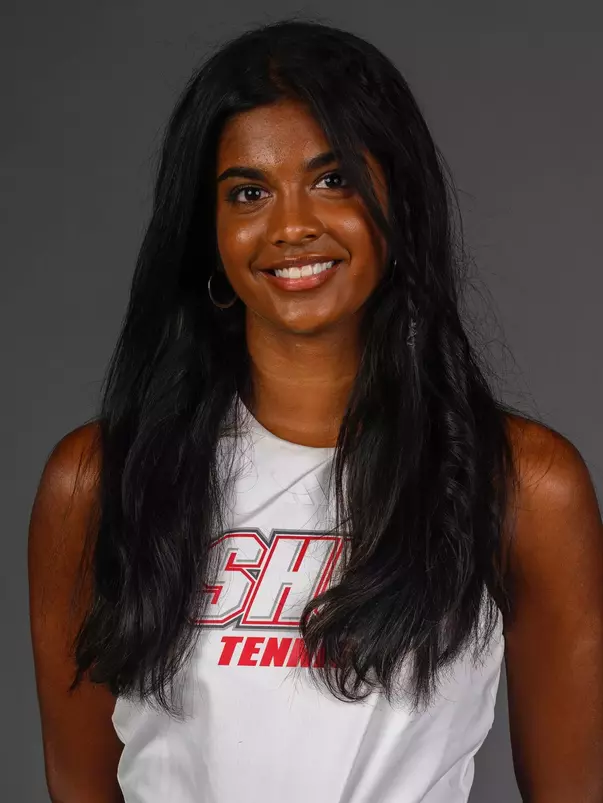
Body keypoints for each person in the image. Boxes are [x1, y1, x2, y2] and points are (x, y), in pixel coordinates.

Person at [28, 18, 603, 803]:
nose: (292, 225)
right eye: (249, 192)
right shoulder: (96, 484)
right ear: (211, 234)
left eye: (334, 180)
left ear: (396, 203)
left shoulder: (523, 486)